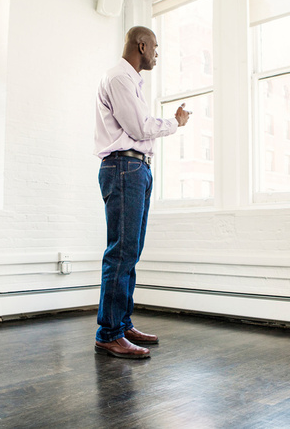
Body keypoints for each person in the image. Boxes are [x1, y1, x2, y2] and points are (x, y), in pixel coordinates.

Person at [93, 26, 190, 359]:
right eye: (155, 47)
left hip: (136, 168)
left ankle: (122, 323)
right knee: (121, 252)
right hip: (124, 168)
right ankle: (109, 333)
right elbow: (138, 127)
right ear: (142, 44)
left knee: (130, 252)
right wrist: (174, 123)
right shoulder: (120, 79)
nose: (157, 54)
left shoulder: (131, 81)